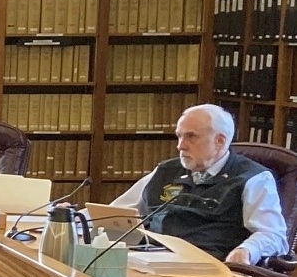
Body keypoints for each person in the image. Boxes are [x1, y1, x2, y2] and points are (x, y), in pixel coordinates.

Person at [110, 103, 289, 265]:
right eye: (179, 136)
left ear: (220, 140)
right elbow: (112, 214)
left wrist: (247, 250)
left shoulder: (253, 178)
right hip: (148, 261)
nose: (180, 146)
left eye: (191, 137)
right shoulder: (166, 170)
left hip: (207, 268)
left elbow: (274, 235)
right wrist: (82, 223)